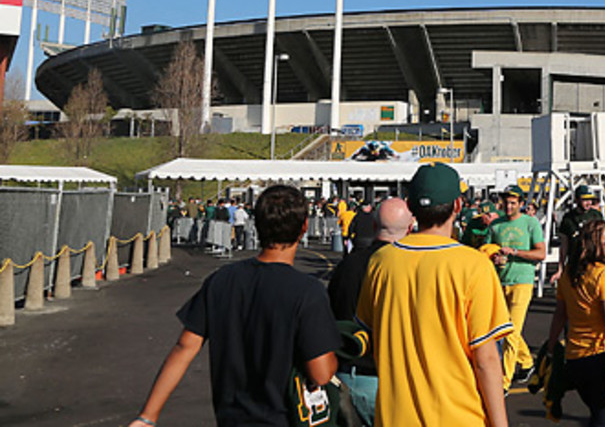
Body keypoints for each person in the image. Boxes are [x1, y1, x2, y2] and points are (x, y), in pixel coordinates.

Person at [127, 185, 341, 427]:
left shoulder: (222, 280)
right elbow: (321, 373)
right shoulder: (307, 291)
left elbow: (185, 347)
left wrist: (148, 416)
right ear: (304, 227)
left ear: (257, 224)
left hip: (231, 417)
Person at [357, 163, 512, 427]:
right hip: (459, 417)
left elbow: (368, 334)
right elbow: (486, 359)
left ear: (410, 206)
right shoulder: (474, 265)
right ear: (458, 206)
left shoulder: (381, 261)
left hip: (394, 417)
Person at [325, 197, 414, 426]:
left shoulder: (348, 266)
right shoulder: (411, 268)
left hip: (348, 375)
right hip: (392, 377)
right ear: (410, 228)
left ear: (374, 226)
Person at [546, 219, 605, 427]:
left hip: (575, 356)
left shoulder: (569, 273)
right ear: (596, 244)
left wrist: (552, 344)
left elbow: (560, 314)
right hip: (602, 356)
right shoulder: (604, 274)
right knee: (603, 417)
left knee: (596, 413)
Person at [487, 184, 547, 390]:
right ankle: (528, 362)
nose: (509, 206)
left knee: (510, 333)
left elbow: (541, 254)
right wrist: (495, 257)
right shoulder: (496, 226)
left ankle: (503, 382)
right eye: (506, 202)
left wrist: (515, 252)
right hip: (501, 281)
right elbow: (488, 250)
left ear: (521, 204)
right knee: (504, 329)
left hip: (522, 281)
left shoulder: (531, 223)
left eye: (513, 202)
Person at [553, 185, 605, 280]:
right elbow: (564, 244)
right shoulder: (568, 218)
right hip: (575, 262)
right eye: (585, 200)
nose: (588, 203)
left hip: (594, 262)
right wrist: (560, 267)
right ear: (577, 200)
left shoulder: (596, 215)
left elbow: (603, 239)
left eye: (590, 199)